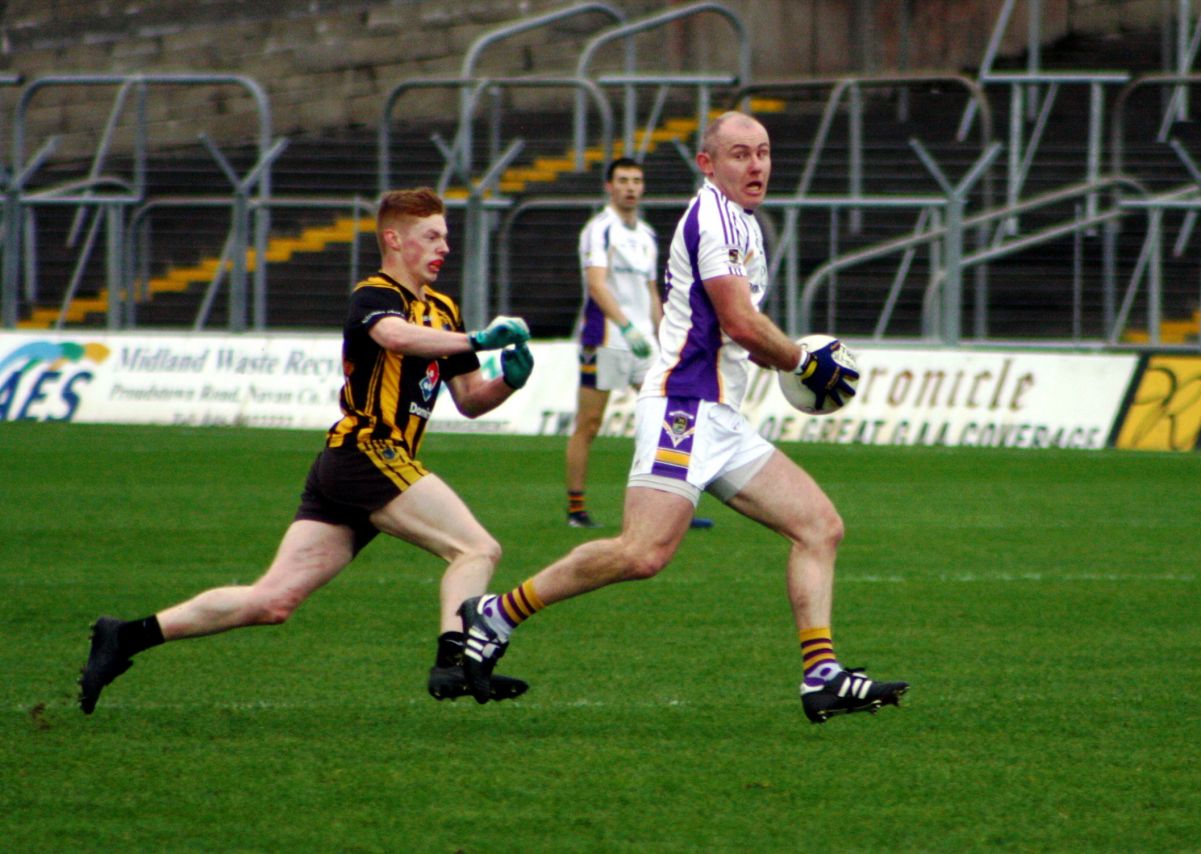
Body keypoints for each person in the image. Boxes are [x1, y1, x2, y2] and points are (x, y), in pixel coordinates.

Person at [455, 111, 909, 724]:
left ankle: (822, 676)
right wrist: (804, 360)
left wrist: (791, 359)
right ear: (708, 163)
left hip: (721, 415)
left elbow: (743, 334)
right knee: (643, 553)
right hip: (684, 408)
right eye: (740, 154)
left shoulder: (744, 222)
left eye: (764, 153)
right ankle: (497, 613)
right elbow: (740, 323)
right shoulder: (712, 218)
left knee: (819, 526)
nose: (755, 166)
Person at [78, 187, 536, 714]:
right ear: (393, 239)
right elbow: (395, 338)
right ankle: (454, 659)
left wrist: (508, 382)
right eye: (431, 236)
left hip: (353, 467)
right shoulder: (375, 294)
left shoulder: (443, 310)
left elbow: (472, 400)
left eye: (446, 237)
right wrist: (479, 340)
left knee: (271, 601)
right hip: (367, 452)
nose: (444, 248)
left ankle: (125, 637)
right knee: (476, 549)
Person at [566, 157, 712, 530]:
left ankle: (673, 506)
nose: (630, 187)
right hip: (607, 339)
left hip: (642, 343)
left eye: (636, 180)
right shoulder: (599, 230)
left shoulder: (645, 235)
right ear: (609, 187)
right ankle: (576, 509)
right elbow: (597, 284)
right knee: (590, 422)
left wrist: (664, 334)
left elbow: (651, 289)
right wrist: (627, 327)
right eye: (623, 180)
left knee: (666, 416)